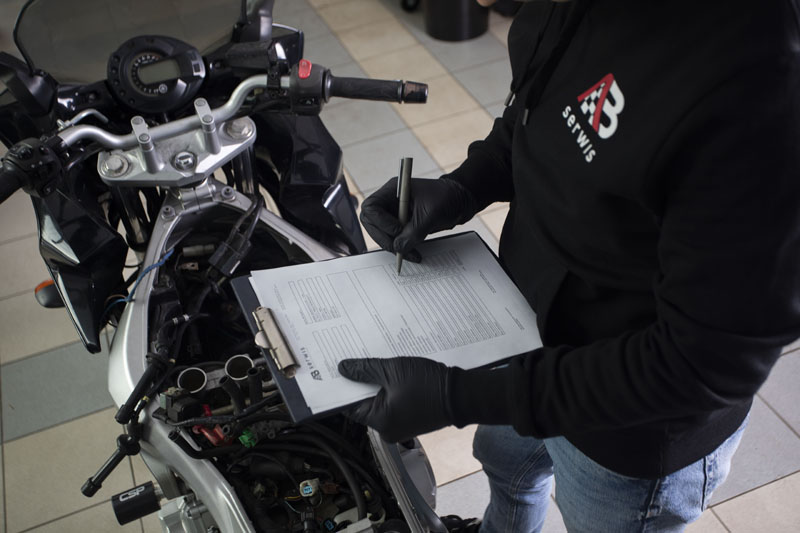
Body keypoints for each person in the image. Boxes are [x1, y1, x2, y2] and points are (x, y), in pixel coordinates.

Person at [338, 0, 800, 531]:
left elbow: (704, 363)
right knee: (507, 475)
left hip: (630, 428)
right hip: (526, 341)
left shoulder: (761, 89)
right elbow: (540, 116)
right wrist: (464, 186)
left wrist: (456, 397)